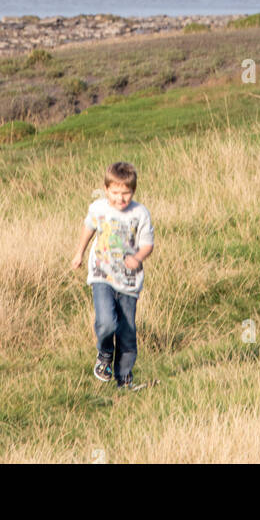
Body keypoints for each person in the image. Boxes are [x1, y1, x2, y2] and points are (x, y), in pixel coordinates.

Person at [71, 160, 154, 386]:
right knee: (106, 322)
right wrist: (79, 253)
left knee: (127, 333)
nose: (120, 198)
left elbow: (148, 244)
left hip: (129, 282)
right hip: (102, 275)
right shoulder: (99, 208)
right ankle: (105, 354)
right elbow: (89, 227)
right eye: (115, 192)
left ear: (133, 191)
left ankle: (124, 379)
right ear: (106, 189)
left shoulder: (140, 213)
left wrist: (137, 258)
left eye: (125, 193)